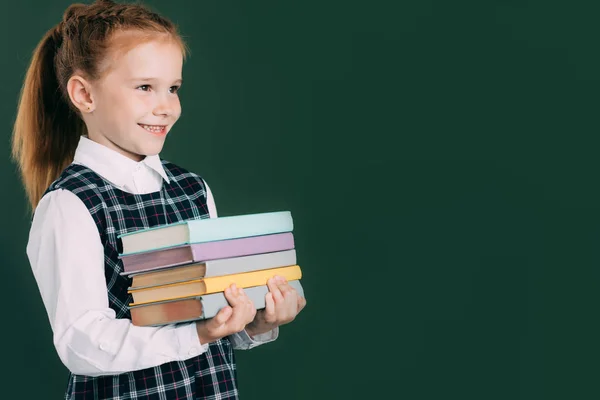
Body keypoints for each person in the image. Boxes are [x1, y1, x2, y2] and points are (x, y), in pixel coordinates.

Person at [11, 0, 306, 398]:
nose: (166, 106)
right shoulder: (71, 203)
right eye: (145, 87)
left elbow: (214, 315)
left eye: (173, 88)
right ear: (84, 94)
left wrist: (257, 321)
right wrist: (199, 333)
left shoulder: (193, 189)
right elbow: (82, 343)